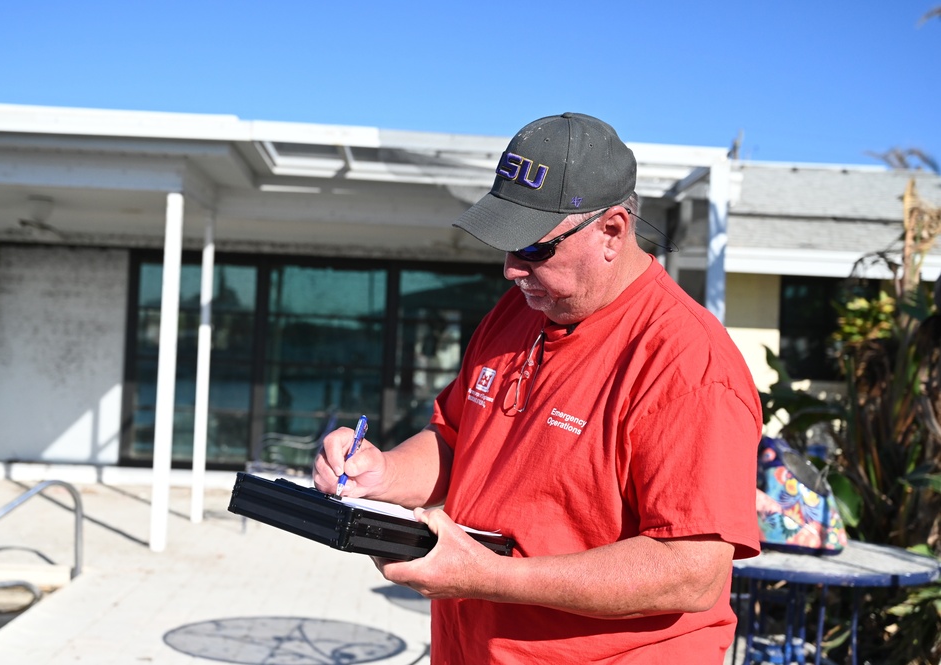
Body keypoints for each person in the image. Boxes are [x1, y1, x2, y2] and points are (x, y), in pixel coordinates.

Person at [313, 112, 762, 664]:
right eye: (504, 244)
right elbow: (456, 441)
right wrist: (381, 473)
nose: (509, 269)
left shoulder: (687, 363)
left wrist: (492, 576)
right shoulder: (517, 311)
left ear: (612, 232)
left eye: (532, 248)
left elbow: (691, 573)